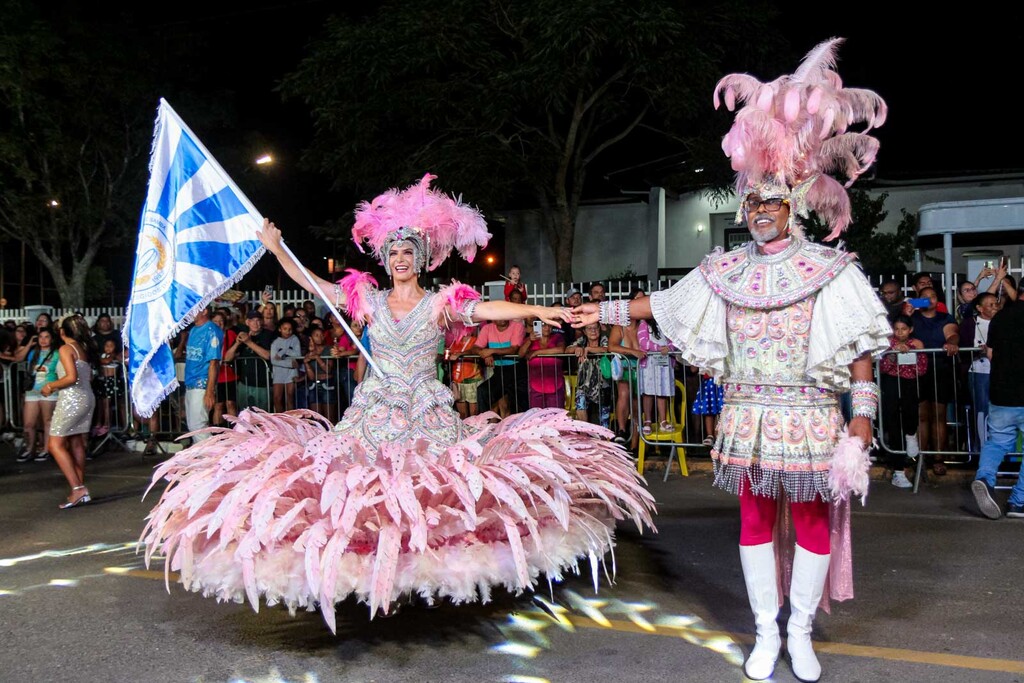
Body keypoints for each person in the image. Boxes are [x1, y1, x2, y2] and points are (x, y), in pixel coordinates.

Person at [140, 174, 653, 633]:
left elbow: (487, 308)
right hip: (373, 411)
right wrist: (276, 248)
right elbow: (312, 283)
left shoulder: (439, 304)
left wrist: (540, 309)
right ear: (385, 260)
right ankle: (372, 581)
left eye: (408, 250)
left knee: (431, 499)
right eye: (393, 252)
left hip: (426, 411)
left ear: (420, 258)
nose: (401, 258)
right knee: (367, 495)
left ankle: (426, 582)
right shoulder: (365, 300)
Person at [574, 40, 890, 682]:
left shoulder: (830, 270)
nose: (761, 213)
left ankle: (800, 632)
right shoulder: (724, 269)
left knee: (807, 522)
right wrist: (599, 314)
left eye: (772, 203)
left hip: (808, 418)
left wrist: (860, 425)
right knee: (750, 521)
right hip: (746, 416)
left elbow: (861, 352)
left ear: (795, 205)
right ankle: (766, 633)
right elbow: (661, 305)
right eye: (753, 204)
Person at [970, 296, 1024, 519]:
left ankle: (984, 478)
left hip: (1001, 391)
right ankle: (1019, 501)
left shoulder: (1000, 317)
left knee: (997, 441)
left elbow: (990, 353)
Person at [41, 316, 97, 508]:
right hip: (86, 397)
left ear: (62, 332)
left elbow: (71, 377)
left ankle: (78, 489)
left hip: (72, 399)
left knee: (55, 444)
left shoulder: (66, 349)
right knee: (76, 442)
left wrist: (51, 385)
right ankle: (79, 487)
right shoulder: (82, 349)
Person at [910, 286, 959, 474]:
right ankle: (921, 456)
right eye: (924, 297)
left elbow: (952, 333)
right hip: (918, 371)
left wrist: (952, 343)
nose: (929, 300)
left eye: (932, 296)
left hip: (940, 369)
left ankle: (939, 457)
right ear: (918, 299)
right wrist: (907, 310)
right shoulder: (912, 319)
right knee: (921, 416)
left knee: (939, 415)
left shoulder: (945, 318)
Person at [878, 315, 927, 488]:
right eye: (896, 329)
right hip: (891, 383)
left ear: (910, 329)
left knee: (910, 411)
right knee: (893, 422)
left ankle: (911, 434)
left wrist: (910, 352)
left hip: (910, 383)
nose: (900, 333)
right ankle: (898, 471)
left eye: (904, 329)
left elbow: (922, 369)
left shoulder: (918, 344)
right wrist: (892, 355)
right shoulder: (887, 344)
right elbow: (883, 368)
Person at [16, 327, 61, 463]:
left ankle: (46, 449)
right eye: (41, 337)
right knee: (28, 423)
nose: (43, 340)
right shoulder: (33, 353)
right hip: (33, 390)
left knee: (48, 421)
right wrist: (29, 344)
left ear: (52, 339)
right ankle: (30, 448)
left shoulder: (57, 353)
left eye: (46, 337)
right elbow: (18, 358)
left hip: (49, 389)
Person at [182, 307, 222, 443]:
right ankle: (203, 458)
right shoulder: (193, 330)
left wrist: (209, 391)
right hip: (190, 383)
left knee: (198, 426)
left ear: (204, 311)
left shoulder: (212, 331)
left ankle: (213, 458)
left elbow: (214, 363)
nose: (190, 312)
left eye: (194, 309)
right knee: (193, 427)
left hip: (202, 383)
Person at [637, 312, 676, 436]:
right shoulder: (644, 324)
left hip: (664, 364)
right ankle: (647, 421)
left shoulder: (667, 324)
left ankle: (663, 421)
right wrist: (660, 348)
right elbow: (643, 342)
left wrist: (669, 348)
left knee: (662, 392)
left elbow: (675, 341)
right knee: (648, 392)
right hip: (649, 363)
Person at [227, 310, 275, 412]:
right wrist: (237, 343)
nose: (255, 323)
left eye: (258, 320)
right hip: (245, 383)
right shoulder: (242, 335)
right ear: (247, 322)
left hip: (263, 384)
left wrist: (248, 342)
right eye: (252, 321)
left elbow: (268, 355)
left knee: (263, 417)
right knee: (245, 415)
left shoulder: (268, 335)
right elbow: (227, 358)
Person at [569, 322, 612, 427]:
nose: (593, 331)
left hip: (602, 383)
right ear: (584, 331)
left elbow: (608, 349)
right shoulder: (582, 341)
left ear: (599, 329)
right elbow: (567, 349)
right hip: (583, 383)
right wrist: (577, 349)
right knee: (580, 407)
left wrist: (589, 349)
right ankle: (584, 437)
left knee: (604, 416)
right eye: (589, 328)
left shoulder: (604, 339)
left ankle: (604, 440)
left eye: (595, 328)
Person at [518, 318, 566, 409]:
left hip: (555, 384)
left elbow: (561, 349)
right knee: (537, 417)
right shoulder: (530, 339)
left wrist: (536, 352)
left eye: (549, 325)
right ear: (537, 326)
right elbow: (521, 354)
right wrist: (529, 340)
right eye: (543, 325)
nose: (547, 328)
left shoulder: (557, 337)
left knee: (555, 416)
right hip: (536, 384)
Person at [270, 318, 301, 412]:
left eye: (290, 329)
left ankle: (291, 421)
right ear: (280, 329)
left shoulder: (295, 339)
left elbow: (298, 355)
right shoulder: (275, 342)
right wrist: (290, 363)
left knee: (290, 397)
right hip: (278, 372)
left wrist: (283, 351)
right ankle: (281, 421)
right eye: (285, 329)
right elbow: (273, 360)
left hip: (291, 373)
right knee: (277, 398)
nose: (287, 331)